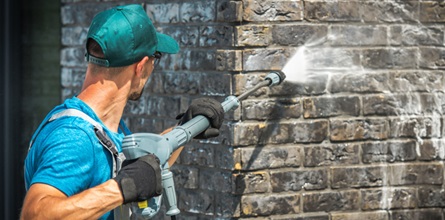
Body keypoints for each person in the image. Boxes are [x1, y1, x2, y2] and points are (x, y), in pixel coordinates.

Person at [21, 4, 224, 220]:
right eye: (155, 58)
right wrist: (122, 189)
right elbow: (36, 215)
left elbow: (143, 168)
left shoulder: (105, 126)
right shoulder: (75, 137)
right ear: (141, 66)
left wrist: (185, 129)